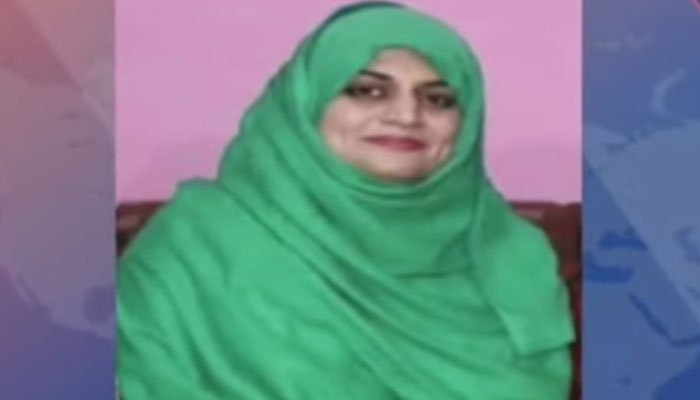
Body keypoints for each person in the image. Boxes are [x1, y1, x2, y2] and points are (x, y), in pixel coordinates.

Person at [117, 2, 575, 399]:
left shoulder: (509, 255)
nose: (406, 115)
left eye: (438, 99)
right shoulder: (197, 245)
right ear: (306, 104)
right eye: (367, 91)